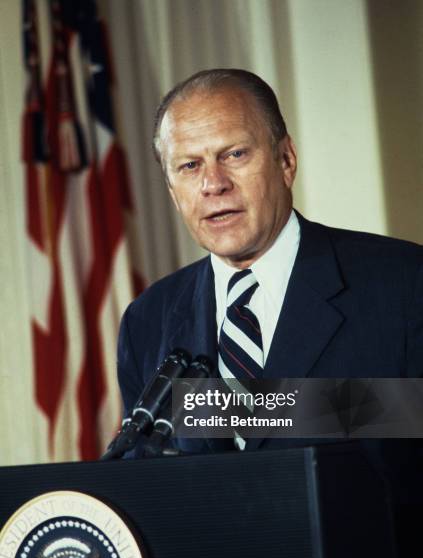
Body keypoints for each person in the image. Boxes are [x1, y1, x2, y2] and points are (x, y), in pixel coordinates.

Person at [118, 68, 423, 448]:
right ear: (171, 188)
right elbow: (148, 486)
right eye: (190, 166)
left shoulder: (405, 284)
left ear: (285, 160)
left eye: (234, 154)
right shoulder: (147, 322)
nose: (213, 183)